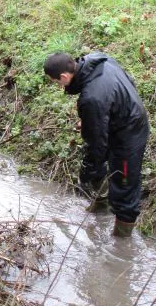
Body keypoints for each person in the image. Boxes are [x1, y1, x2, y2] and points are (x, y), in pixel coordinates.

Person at [44, 52, 149, 237]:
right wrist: (94, 119)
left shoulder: (91, 98)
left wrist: (88, 170)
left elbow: (97, 144)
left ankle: (121, 242)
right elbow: (128, 82)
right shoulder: (100, 59)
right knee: (103, 165)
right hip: (124, 117)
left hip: (130, 133)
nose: (58, 86)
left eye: (56, 82)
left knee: (124, 183)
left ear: (64, 76)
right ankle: (101, 206)